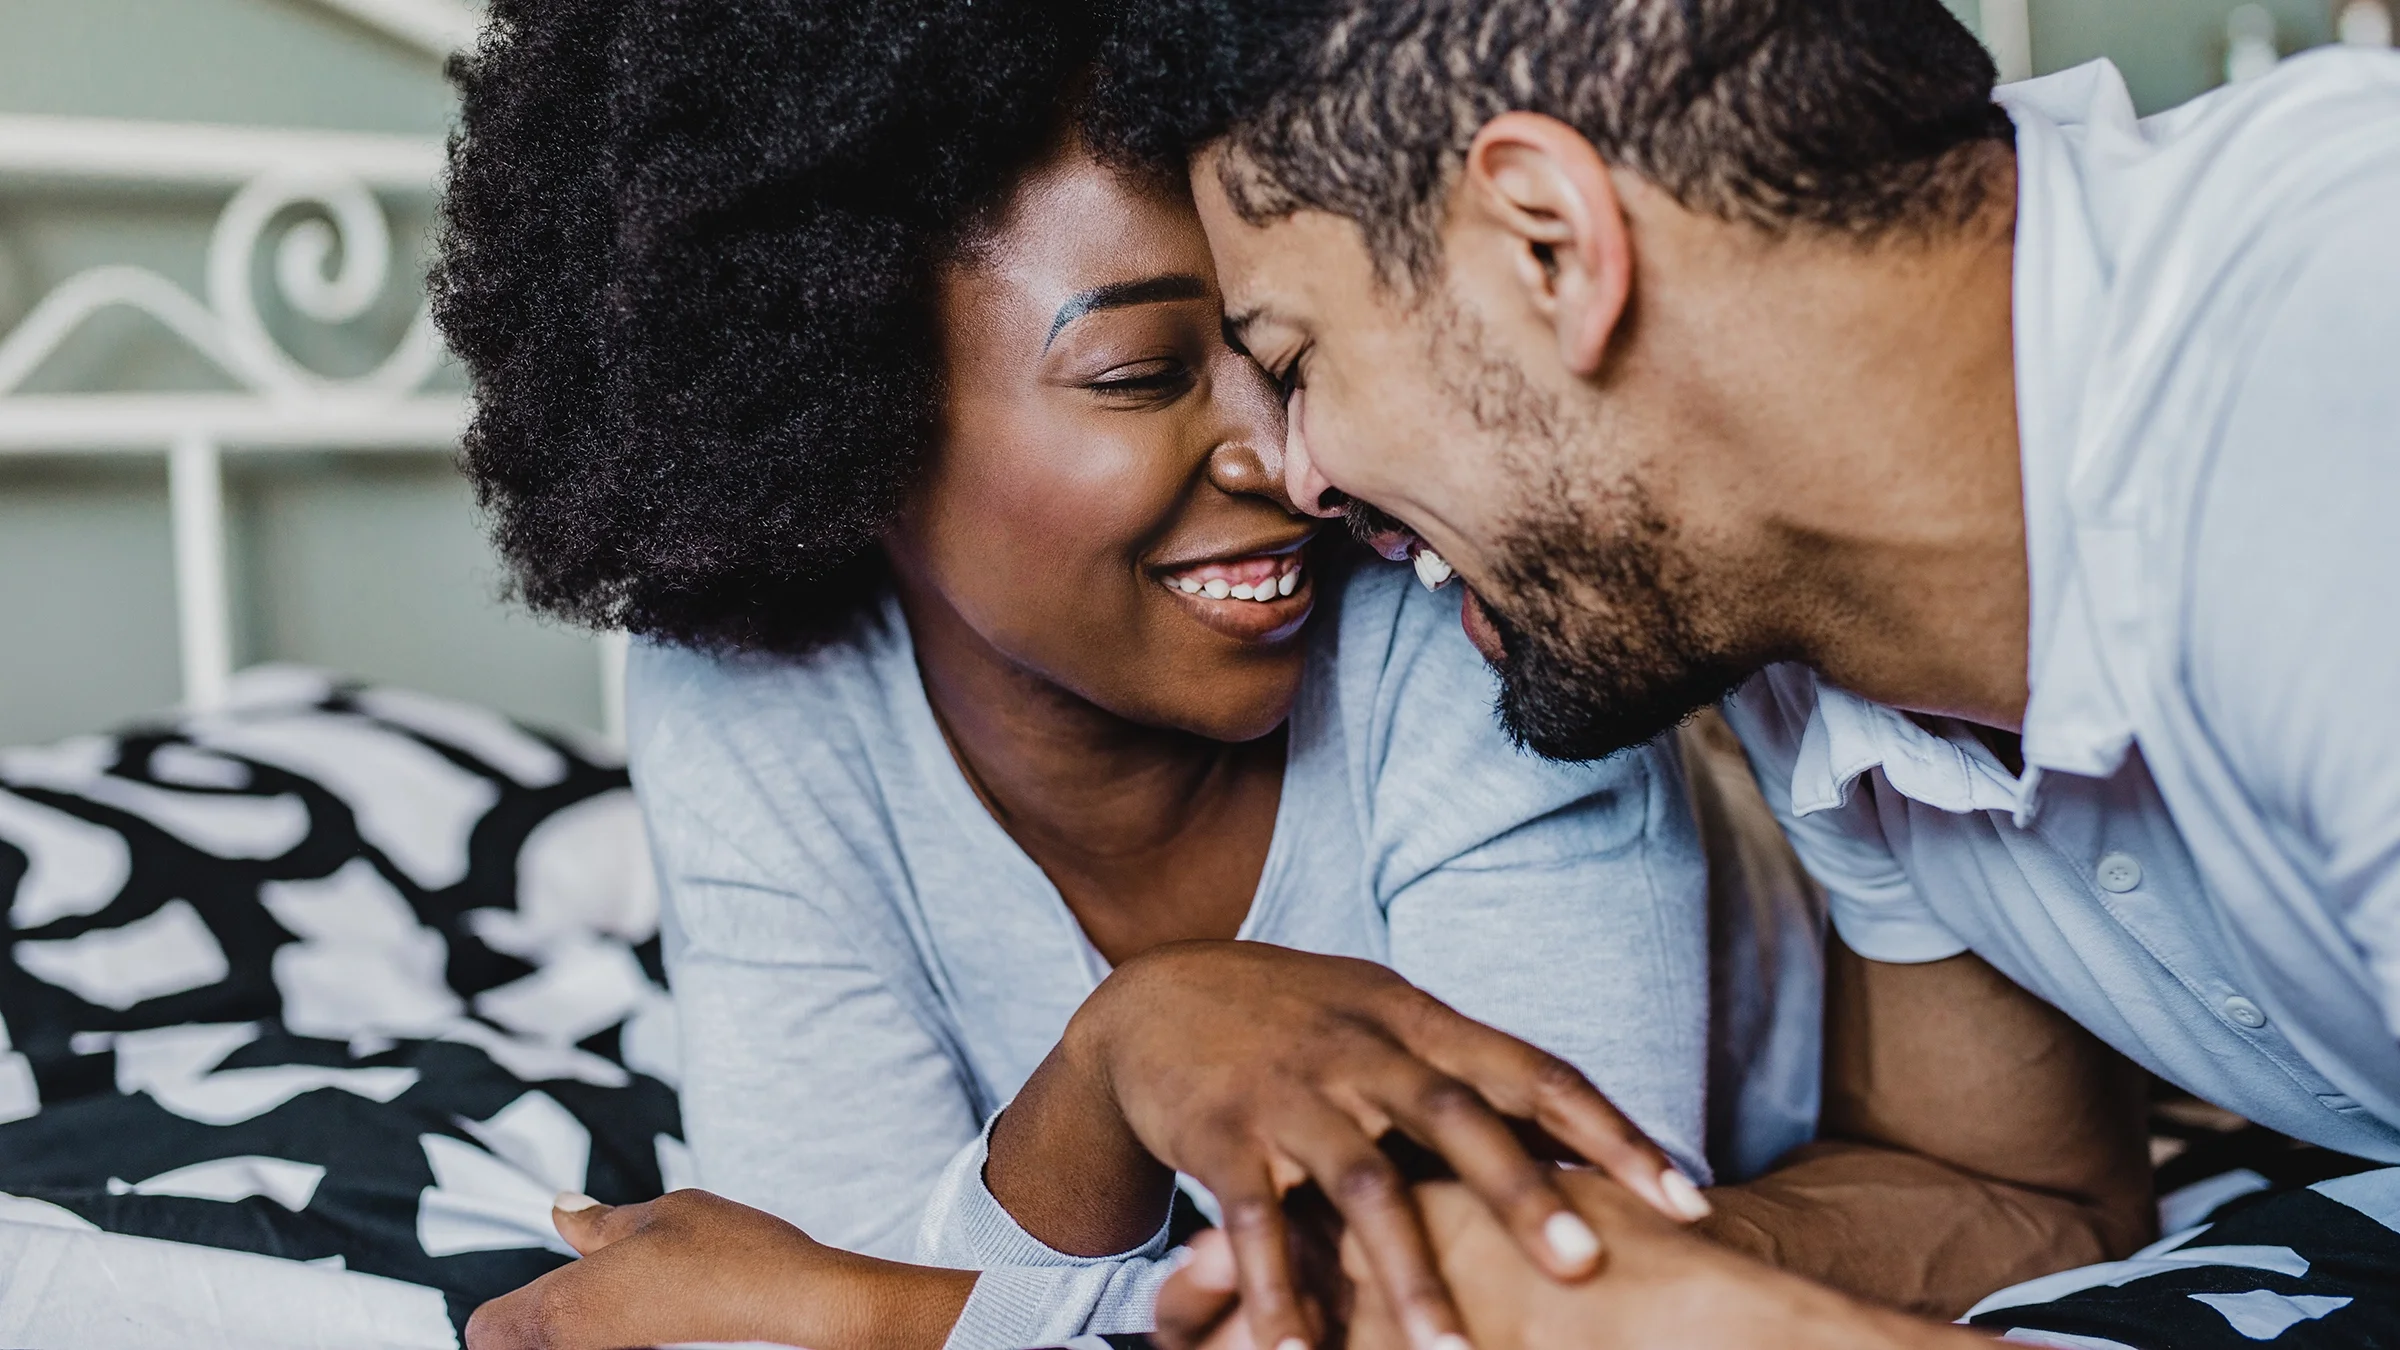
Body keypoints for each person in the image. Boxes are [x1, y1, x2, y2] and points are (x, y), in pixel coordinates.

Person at [426, 3, 1851, 1348]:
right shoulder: (754, 695)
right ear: (841, 403)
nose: (1291, 460)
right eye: (1136, 371)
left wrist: (891, 1299)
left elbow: (1536, 1287)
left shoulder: (1454, 604)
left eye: (1276, 345)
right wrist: (1103, 1079)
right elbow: (809, 1258)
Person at [1088, 0, 2400, 1345]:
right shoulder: (1779, 579)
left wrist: (1700, 1327)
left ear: (1550, 244)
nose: (1303, 477)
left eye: (1297, 362)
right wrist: (1551, 1261)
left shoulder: (2337, 362)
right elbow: (2018, 1191)